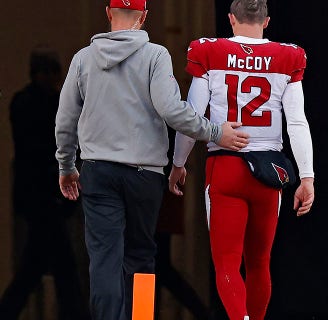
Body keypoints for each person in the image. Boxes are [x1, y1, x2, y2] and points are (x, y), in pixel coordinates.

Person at [54, 0, 250, 319]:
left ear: (107, 12)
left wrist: (66, 166)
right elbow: (172, 111)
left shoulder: (83, 60)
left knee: (104, 260)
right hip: (144, 175)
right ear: (144, 17)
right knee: (141, 257)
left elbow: (65, 120)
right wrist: (216, 132)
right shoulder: (155, 56)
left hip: (98, 171)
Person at [168, 0, 315, 319]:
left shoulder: (210, 51)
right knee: (259, 263)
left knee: (227, 264)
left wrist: (179, 162)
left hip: (227, 166)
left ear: (231, 19)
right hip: (269, 170)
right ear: (267, 21)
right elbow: (297, 122)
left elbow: (192, 116)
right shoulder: (287, 56)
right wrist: (307, 176)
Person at [0, 47, 89, 320]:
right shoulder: (47, 105)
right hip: (47, 197)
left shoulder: (23, 102)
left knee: (37, 266)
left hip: (35, 197)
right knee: (60, 267)